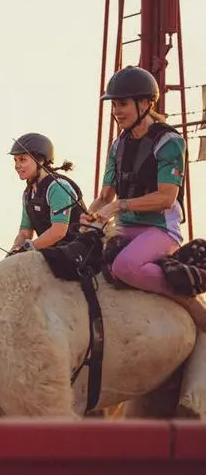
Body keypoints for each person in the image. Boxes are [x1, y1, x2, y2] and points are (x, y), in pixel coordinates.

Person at [82, 65, 206, 330]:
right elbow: (105, 196)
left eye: (122, 104)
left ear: (146, 103)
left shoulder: (170, 142)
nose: (116, 112)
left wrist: (119, 205)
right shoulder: (118, 145)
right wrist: (88, 217)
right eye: (114, 105)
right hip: (126, 229)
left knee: (124, 267)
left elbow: (166, 198)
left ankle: (187, 298)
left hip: (159, 230)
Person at [8, 133, 87, 253]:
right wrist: (15, 250)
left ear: (41, 160)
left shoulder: (57, 187)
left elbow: (58, 232)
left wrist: (28, 248)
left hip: (75, 253)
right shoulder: (28, 193)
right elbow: (25, 232)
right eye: (15, 160)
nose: (17, 166)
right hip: (51, 253)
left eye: (23, 159)